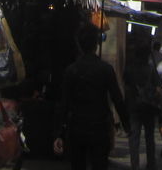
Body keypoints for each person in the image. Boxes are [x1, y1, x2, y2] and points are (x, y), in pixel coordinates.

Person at [55, 23, 129, 170]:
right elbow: (117, 98)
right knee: (100, 164)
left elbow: (64, 103)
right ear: (96, 44)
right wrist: (126, 124)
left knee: (78, 165)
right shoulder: (106, 70)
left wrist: (58, 133)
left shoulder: (71, 71)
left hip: (77, 127)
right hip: (99, 127)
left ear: (79, 45)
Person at [123, 39, 161, 170]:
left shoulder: (129, 69)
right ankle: (151, 164)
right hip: (148, 107)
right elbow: (158, 90)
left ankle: (135, 165)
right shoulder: (151, 69)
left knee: (134, 138)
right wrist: (153, 99)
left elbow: (126, 89)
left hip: (133, 106)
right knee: (149, 137)